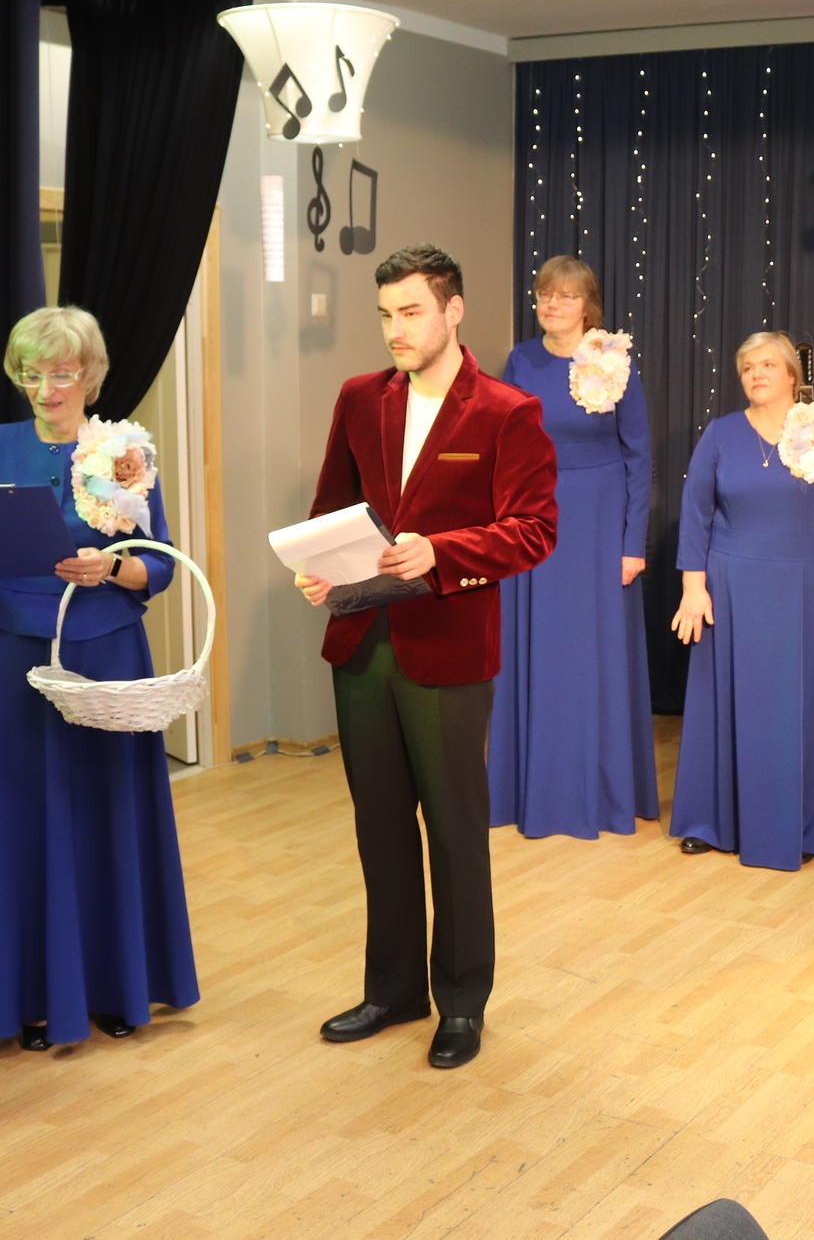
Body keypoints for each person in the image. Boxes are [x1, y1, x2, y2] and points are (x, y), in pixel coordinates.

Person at [298, 244, 558, 1067]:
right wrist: (317, 569)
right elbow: (331, 509)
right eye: (385, 314)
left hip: (448, 645)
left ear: (453, 311)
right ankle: (393, 989)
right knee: (379, 827)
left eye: (410, 312)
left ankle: (463, 1002)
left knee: (454, 831)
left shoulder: (506, 410)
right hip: (361, 639)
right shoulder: (359, 398)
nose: (395, 330)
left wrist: (442, 550)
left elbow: (534, 531)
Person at [0, 305, 198, 1051]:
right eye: (31, 373)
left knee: (105, 816)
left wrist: (111, 567)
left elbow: (159, 562)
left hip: (103, 652)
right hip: (12, 657)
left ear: (89, 374)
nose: (45, 389)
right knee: (20, 820)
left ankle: (118, 986)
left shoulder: (124, 451)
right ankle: (27, 996)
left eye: (60, 373)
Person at [669, 331, 814, 871]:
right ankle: (714, 822)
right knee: (724, 703)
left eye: (767, 365)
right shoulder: (720, 435)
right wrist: (693, 588)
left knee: (799, 706)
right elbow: (696, 513)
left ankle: (803, 823)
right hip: (732, 587)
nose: (756, 373)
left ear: (792, 376)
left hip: (808, 587)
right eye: (747, 367)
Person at [488, 256, 657, 839]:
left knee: (594, 654)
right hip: (535, 517)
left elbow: (639, 458)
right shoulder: (520, 361)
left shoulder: (614, 362)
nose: (551, 304)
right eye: (543, 294)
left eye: (564, 296)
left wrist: (632, 543)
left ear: (588, 306)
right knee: (538, 650)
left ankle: (602, 793)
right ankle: (533, 789)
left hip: (600, 523)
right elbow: (503, 445)